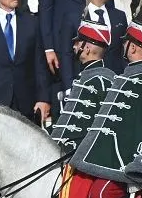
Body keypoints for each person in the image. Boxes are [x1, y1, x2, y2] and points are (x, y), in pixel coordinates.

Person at [67, 16, 142, 198]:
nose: (123, 46)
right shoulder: (132, 74)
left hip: (132, 163)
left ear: (134, 48)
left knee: (100, 194)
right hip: (116, 160)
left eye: (126, 43)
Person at [50, 18, 116, 154]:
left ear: (86, 48)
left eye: (78, 42)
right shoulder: (86, 76)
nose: (74, 46)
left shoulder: (101, 81)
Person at [81, 0, 128, 73]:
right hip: (87, 81)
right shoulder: (77, 18)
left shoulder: (119, 16)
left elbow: (123, 52)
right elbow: (67, 54)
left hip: (116, 79)